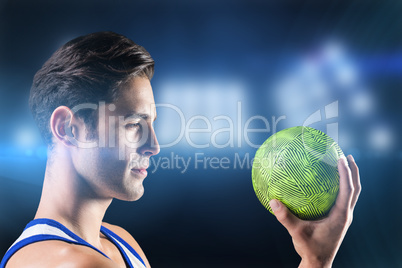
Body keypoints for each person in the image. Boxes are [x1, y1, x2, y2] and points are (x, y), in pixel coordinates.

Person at [0, 31, 361, 268]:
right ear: (68, 128)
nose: (154, 145)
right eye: (132, 125)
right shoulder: (69, 263)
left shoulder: (119, 243)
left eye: (153, 124)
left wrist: (315, 258)